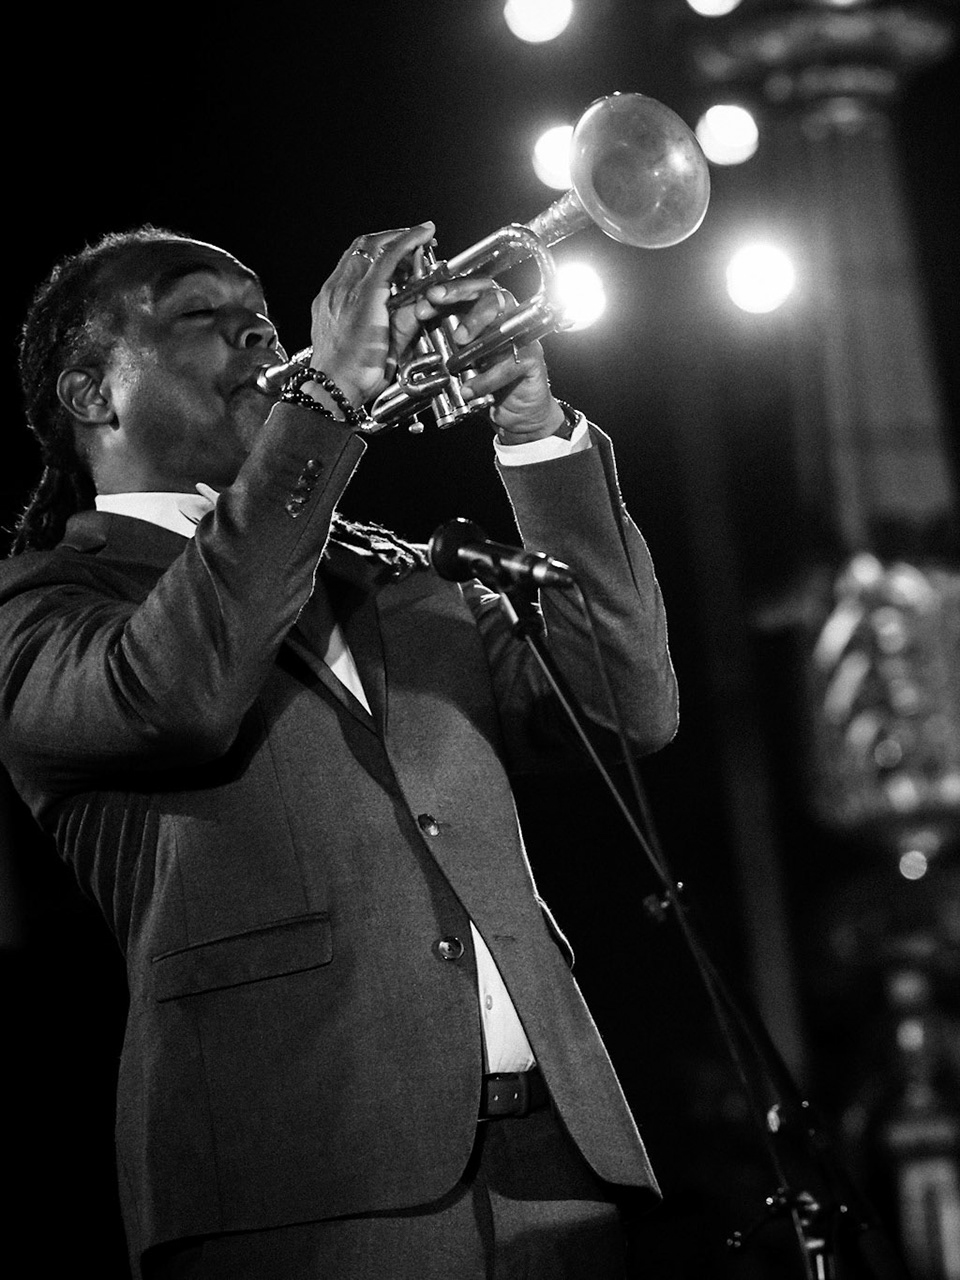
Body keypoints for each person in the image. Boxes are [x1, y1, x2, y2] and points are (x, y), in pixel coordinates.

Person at [0, 223, 679, 1277]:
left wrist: (533, 430)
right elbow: (178, 693)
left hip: (560, 1168)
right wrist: (326, 412)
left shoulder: (392, 572)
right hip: (303, 1192)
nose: (260, 339)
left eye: (262, 319)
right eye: (201, 318)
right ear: (94, 394)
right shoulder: (47, 607)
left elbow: (628, 705)